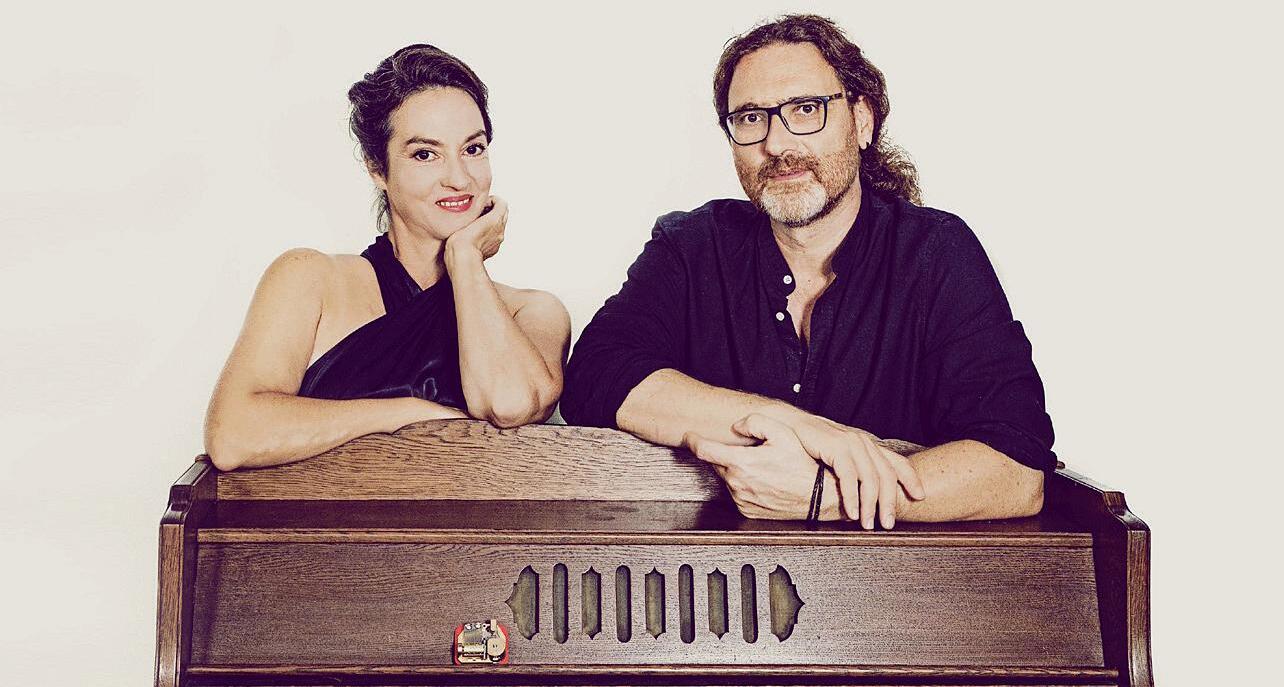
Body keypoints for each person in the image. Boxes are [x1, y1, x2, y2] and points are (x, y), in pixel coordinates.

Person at [560, 15, 1054, 529]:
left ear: (862, 121)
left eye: (806, 109)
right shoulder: (692, 246)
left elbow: (1018, 471)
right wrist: (801, 427)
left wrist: (827, 494)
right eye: (751, 118)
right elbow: (596, 375)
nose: (776, 144)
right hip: (719, 576)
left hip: (895, 578)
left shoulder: (936, 253)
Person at [204, 44, 570, 471]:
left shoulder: (533, 313)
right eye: (425, 154)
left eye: (473, 149)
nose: (459, 178)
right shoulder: (310, 279)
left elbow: (510, 406)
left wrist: (466, 258)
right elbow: (233, 436)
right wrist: (409, 414)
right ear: (377, 168)